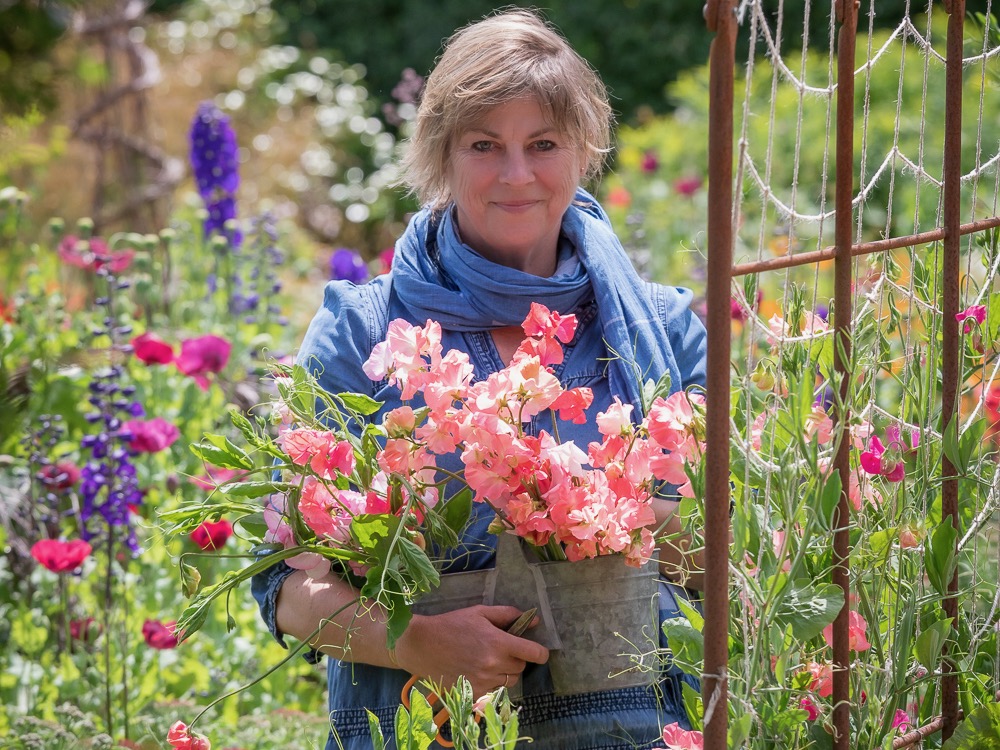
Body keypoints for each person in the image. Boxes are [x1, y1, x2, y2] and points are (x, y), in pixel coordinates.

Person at [251, 9, 707, 749]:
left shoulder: (662, 329)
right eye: (485, 145)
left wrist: (620, 520)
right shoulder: (362, 330)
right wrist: (419, 644)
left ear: (584, 151)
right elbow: (288, 592)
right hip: (425, 731)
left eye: (544, 144)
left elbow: (732, 563)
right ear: (442, 154)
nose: (517, 174)